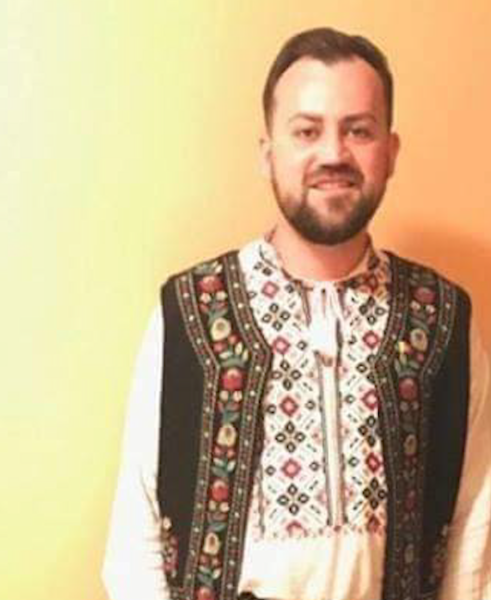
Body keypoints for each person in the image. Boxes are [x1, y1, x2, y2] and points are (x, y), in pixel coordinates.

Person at [102, 27, 491, 600]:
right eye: (307, 131)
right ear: (269, 154)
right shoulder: (189, 314)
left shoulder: (442, 321)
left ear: (390, 152)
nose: (333, 154)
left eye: (358, 130)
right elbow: (134, 538)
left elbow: (475, 526)